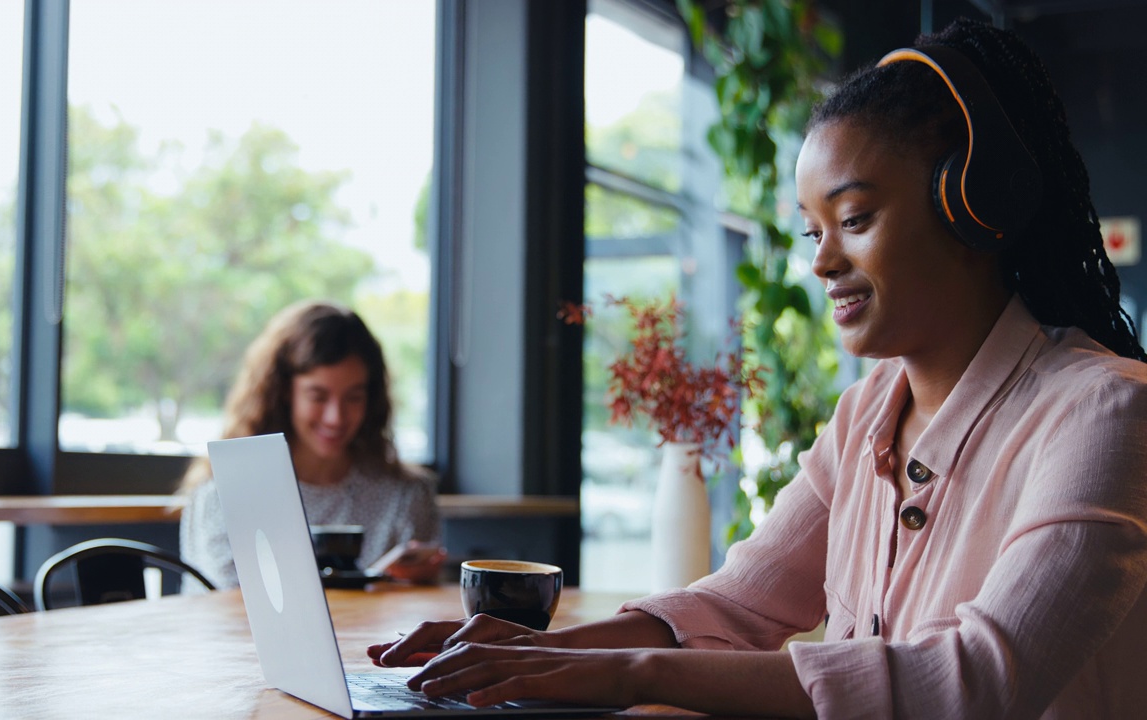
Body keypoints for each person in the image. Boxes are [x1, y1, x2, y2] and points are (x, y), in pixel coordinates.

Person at [368, 17, 1147, 719]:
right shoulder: (868, 414)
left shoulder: (1107, 412)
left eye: (853, 219)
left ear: (973, 204)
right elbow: (737, 605)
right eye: (812, 232)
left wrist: (625, 675)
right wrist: (537, 650)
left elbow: (972, 682)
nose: (824, 261)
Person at [179, 300, 443, 589]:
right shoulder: (229, 492)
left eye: (353, 397)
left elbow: (419, 618)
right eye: (318, 396)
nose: (336, 417)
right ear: (282, 393)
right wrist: (371, 584)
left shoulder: (405, 497)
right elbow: (234, 606)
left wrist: (419, 580)